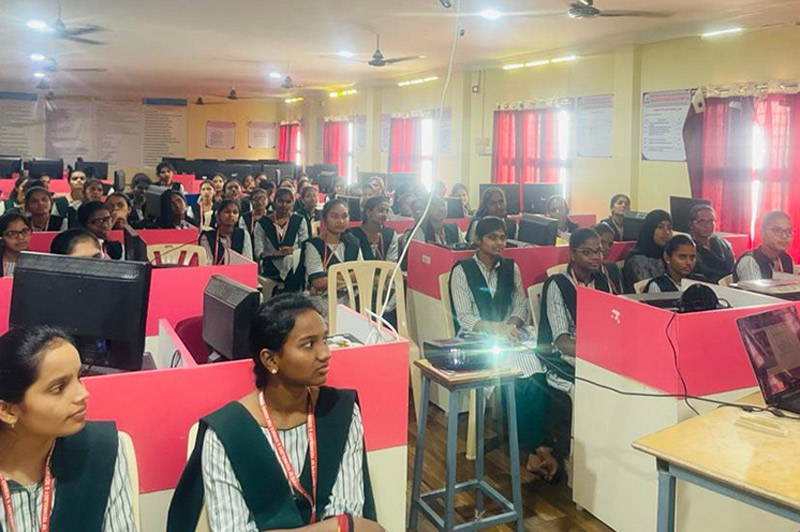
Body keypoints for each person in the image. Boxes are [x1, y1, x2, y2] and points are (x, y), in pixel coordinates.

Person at [167, 294, 381, 532]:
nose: (325, 353)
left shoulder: (340, 413)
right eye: (309, 344)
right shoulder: (227, 433)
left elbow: (348, 513)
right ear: (270, 360)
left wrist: (342, 524)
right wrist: (336, 526)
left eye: (325, 339)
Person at [449, 217, 557, 480]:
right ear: (478, 240)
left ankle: (537, 449)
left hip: (511, 336)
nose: (499, 243)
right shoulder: (462, 270)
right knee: (516, 381)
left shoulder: (511, 267)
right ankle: (536, 449)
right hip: (478, 339)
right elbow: (464, 317)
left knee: (537, 375)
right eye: (492, 237)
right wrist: (497, 329)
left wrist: (511, 325)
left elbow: (520, 305)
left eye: (502, 237)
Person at [0, 326, 136, 530]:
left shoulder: (100, 450)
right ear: (7, 410)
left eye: (79, 377)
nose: (83, 394)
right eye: (58, 388)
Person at [302, 200, 362, 297]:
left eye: (345, 216)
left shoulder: (353, 242)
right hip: (322, 297)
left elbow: (361, 273)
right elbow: (319, 282)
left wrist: (328, 278)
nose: (340, 221)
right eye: (334, 216)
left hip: (350, 296)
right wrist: (350, 278)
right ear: (324, 219)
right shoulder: (314, 245)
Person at [254, 188, 308, 288]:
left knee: (292, 262)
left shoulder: (299, 220)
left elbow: (305, 246)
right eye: (280, 201)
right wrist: (272, 254)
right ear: (274, 201)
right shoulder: (262, 222)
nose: (284, 205)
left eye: (288, 202)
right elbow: (258, 251)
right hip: (271, 265)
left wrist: (293, 251)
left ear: (293, 203)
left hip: (294, 263)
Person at [734, 210, 795, 282]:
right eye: (777, 230)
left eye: (788, 231)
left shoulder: (786, 259)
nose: (784, 236)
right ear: (762, 233)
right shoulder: (750, 261)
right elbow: (753, 289)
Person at [622, 210, 673, 293]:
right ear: (650, 229)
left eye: (669, 228)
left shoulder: (668, 255)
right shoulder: (638, 260)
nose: (666, 232)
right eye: (660, 227)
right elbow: (649, 292)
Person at [688, 205, 734, 283]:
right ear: (691, 225)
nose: (707, 225)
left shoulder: (724, 245)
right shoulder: (688, 248)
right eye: (702, 221)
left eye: (711, 221)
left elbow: (731, 270)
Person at [199, 200, 253, 265]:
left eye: (235, 212)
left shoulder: (244, 234)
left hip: (240, 270)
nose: (231, 215)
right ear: (218, 215)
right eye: (227, 212)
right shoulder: (207, 237)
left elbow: (248, 261)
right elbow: (207, 263)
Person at [349, 197, 399, 262]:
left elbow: (392, 261)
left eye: (387, 211)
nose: (384, 215)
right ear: (368, 212)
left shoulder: (390, 233)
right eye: (380, 210)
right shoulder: (353, 234)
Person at [592, 223, 622, 294]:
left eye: (610, 244)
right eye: (602, 242)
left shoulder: (612, 268)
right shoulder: (585, 271)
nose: (607, 247)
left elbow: (619, 294)